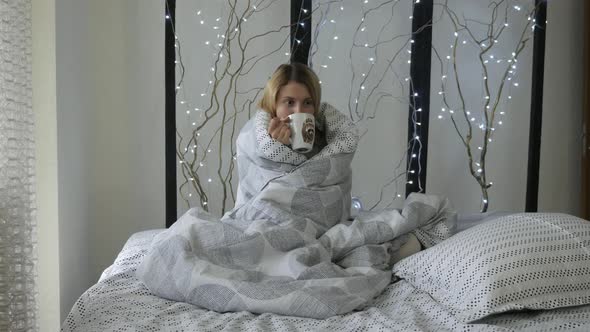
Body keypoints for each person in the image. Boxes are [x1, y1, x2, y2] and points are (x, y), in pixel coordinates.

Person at [258, 62, 326, 158]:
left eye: (307, 103)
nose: (299, 111)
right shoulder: (254, 141)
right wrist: (274, 149)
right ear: (273, 105)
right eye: (289, 102)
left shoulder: (329, 143)